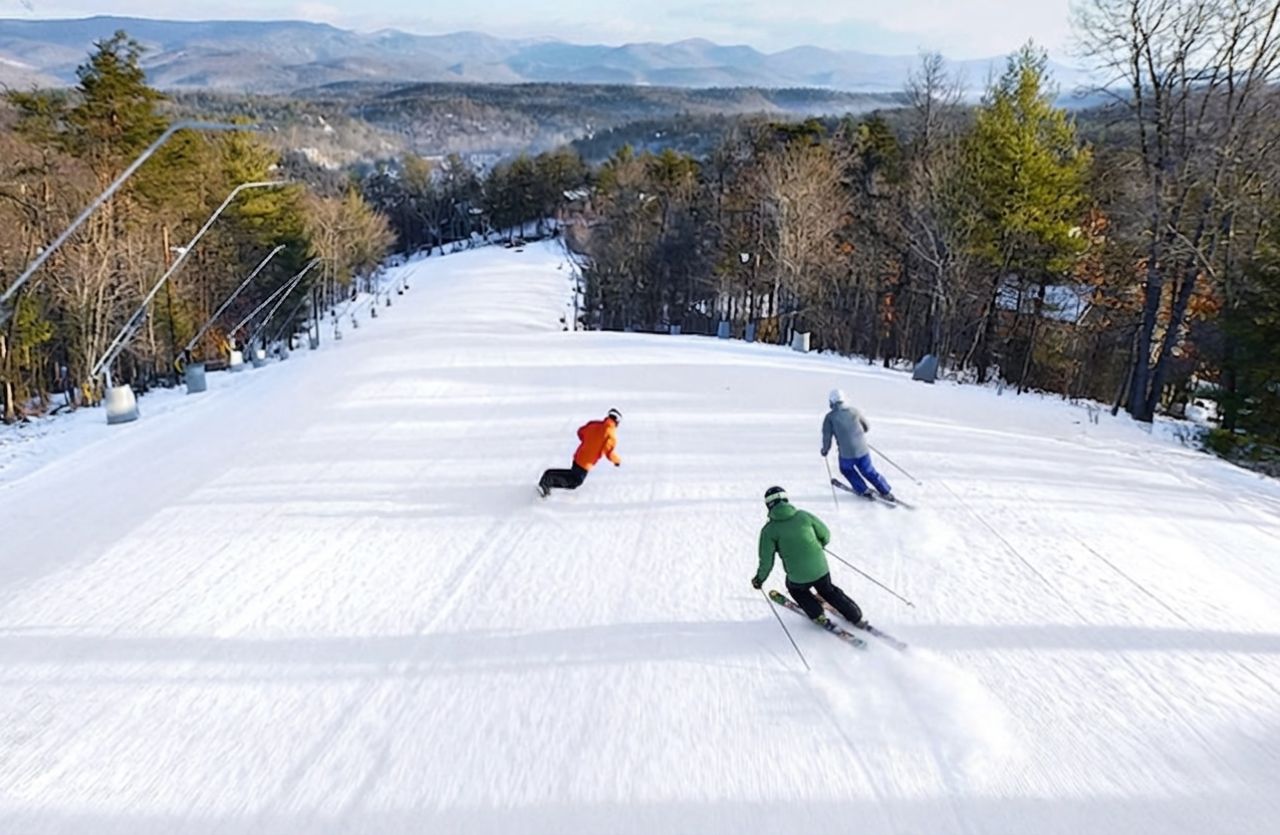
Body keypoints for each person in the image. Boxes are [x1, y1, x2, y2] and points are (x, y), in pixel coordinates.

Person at [751, 486, 864, 626]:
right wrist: (819, 545)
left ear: (768, 505)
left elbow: (766, 562)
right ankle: (854, 615)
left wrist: (759, 580)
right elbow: (825, 534)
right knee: (828, 590)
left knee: (796, 590)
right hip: (821, 568)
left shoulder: (769, 530)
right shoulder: (804, 516)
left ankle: (817, 614)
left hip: (798, 576)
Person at [822, 388, 893, 501]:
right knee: (868, 471)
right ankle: (885, 491)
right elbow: (866, 427)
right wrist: (857, 436)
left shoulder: (830, 417)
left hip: (846, 454)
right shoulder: (854, 411)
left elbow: (827, 437)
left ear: (832, 402)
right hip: (863, 449)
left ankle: (863, 489)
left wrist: (825, 450)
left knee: (846, 469)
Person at [538, 409, 622, 497]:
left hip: (579, 455)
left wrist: (587, 442)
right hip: (586, 462)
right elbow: (609, 453)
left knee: (572, 475)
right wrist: (617, 461)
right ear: (617, 422)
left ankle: (548, 476)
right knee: (575, 482)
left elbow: (580, 432)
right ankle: (547, 482)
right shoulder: (611, 436)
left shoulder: (594, 424)